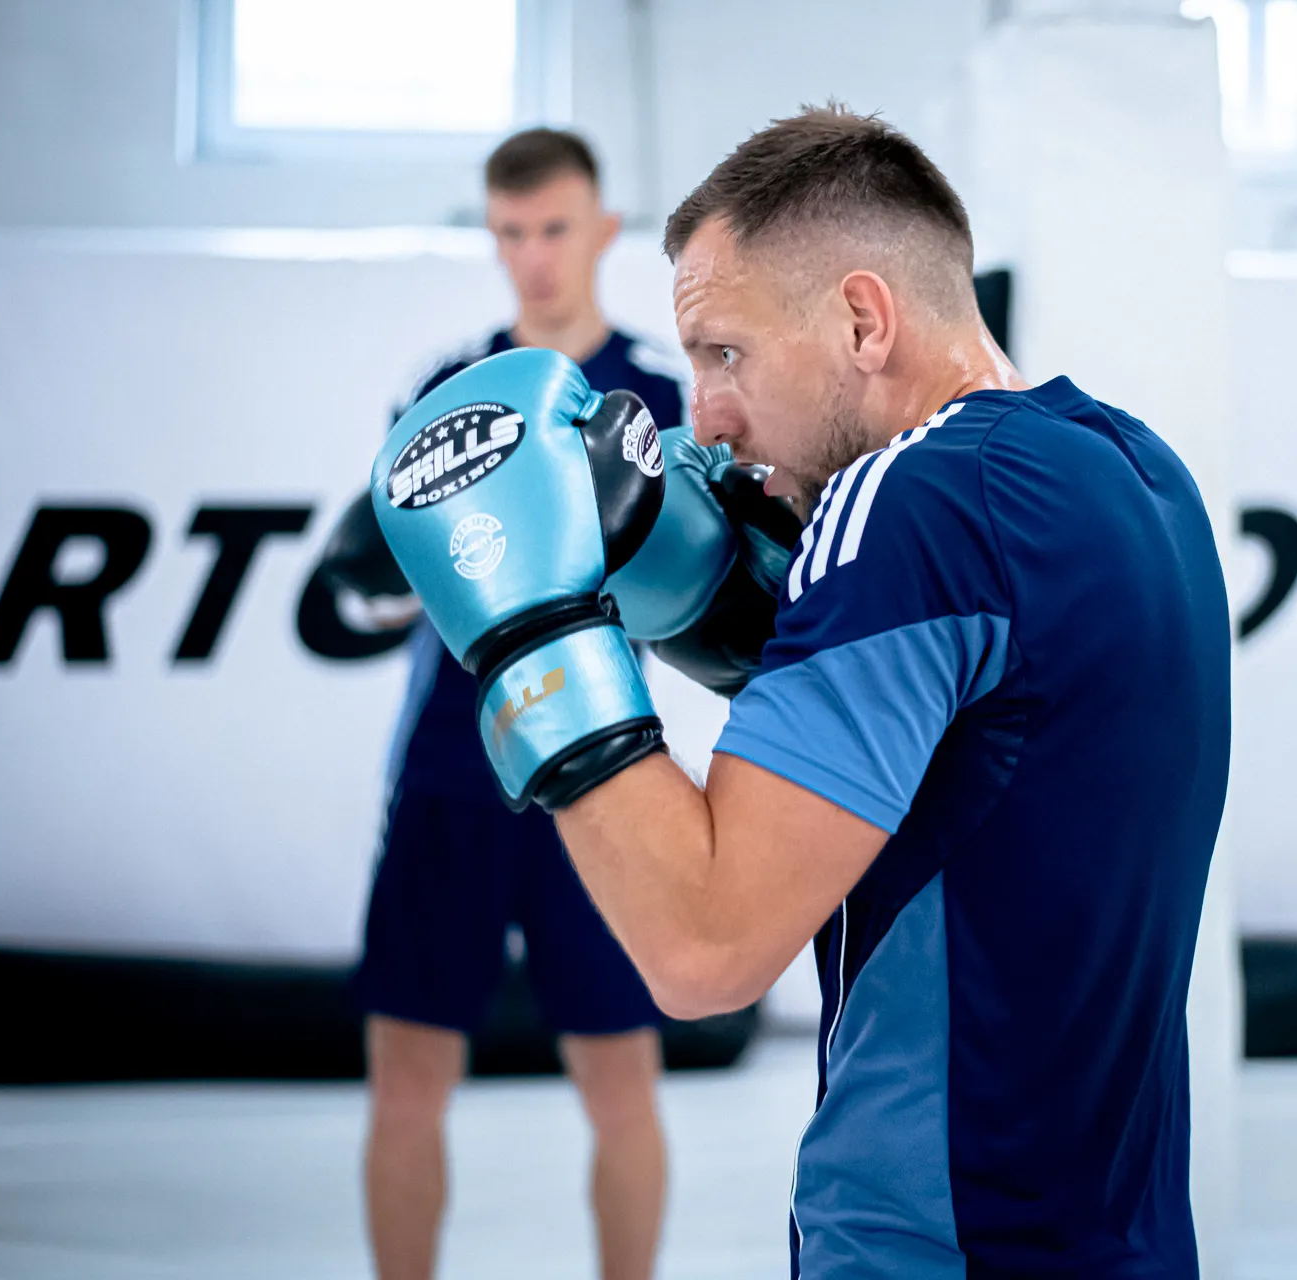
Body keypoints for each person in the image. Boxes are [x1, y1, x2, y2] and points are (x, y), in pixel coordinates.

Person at [367, 105, 1233, 1276]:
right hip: (1121, 1238)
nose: (704, 416)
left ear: (863, 319)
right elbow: (980, 763)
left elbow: (702, 946)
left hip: (932, 1247)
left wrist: (535, 628)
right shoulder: (1136, 471)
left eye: (725, 352)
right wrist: (724, 606)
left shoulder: (910, 505)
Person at [349, 129, 681, 1280]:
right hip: (453, 763)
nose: (534, 256)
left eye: (554, 229)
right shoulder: (443, 393)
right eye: (511, 233)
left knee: (619, 1076)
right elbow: (388, 585)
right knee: (405, 1074)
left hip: (599, 767)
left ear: (601, 230)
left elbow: (687, 595)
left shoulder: (655, 395)